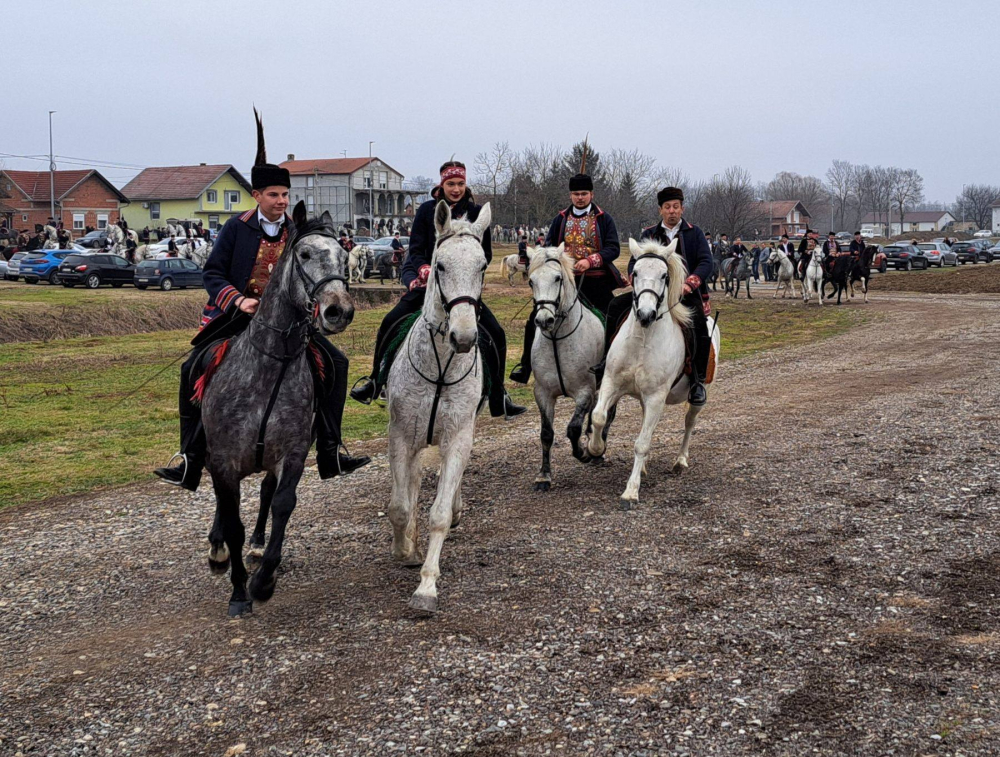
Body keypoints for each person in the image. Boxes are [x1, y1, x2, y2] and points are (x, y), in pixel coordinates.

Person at [154, 110, 369, 491]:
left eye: (286, 195)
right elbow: (212, 274)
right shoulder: (236, 229)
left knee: (336, 362)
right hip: (236, 316)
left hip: (288, 321)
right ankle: (189, 456)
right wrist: (238, 301)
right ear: (257, 196)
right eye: (274, 195)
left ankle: (331, 450)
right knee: (192, 368)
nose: (281, 201)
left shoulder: (295, 232)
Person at [348, 160, 526, 419]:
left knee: (496, 333)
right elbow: (417, 249)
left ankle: (498, 395)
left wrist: (467, 269)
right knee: (389, 321)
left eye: (461, 184)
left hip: (462, 292)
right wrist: (421, 270)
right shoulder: (427, 211)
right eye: (451, 184)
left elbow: (484, 253)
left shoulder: (476, 214)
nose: (456, 189)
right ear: (442, 185)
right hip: (428, 288)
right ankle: (376, 380)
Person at [597, 186, 713, 406]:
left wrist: (690, 284)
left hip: (683, 293)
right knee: (614, 307)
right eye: (667, 207)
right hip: (651, 292)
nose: (672, 211)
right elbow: (635, 260)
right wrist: (635, 276)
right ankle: (606, 361)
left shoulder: (694, 233)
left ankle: (697, 380)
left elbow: (706, 262)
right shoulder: (649, 234)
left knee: (699, 323)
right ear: (660, 210)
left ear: (682, 208)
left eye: (676, 207)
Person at [508, 164, 624, 384]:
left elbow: (613, 248)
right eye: (576, 194)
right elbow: (549, 246)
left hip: (595, 279)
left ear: (592, 194)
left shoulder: (603, 219)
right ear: (570, 195)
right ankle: (526, 365)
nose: (580, 198)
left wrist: (590, 261)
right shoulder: (560, 219)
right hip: (562, 281)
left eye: (584, 194)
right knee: (535, 316)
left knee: (613, 314)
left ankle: (608, 363)